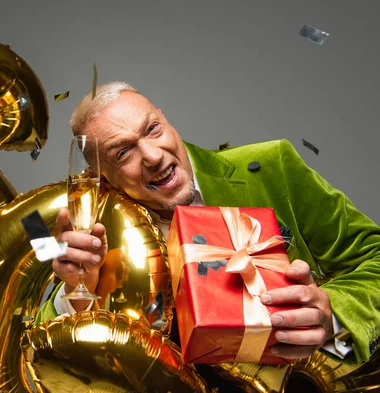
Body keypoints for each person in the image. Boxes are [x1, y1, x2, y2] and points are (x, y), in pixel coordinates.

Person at [35, 82, 380, 370]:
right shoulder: (89, 233)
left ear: (167, 120)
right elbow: (44, 353)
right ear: (102, 176)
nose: (153, 155)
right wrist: (78, 295)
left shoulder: (275, 164)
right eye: (123, 153)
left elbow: (374, 257)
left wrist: (330, 315)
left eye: (153, 129)